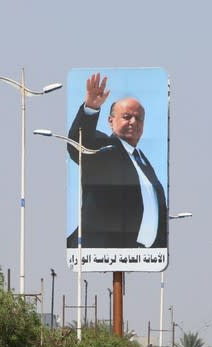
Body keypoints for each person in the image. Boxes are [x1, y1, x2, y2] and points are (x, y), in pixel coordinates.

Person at [66, 72, 168, 249]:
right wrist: (90, 108)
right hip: (101, 246)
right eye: (127, 117)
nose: (133, 122)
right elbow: (78, 144)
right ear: (110, 121)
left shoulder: (142, 161)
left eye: (139, 118)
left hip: (140, 251)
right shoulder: (104, 149)